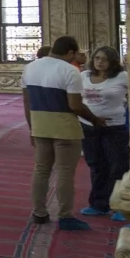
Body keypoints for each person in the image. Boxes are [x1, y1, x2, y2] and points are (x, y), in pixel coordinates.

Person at [23, 35, 106, 230]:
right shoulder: (70, 70)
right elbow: (75, 105)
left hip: (40, 124)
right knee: (65, 173)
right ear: (70, 52)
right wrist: (95, 120)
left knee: (41, 170)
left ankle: (39, 212)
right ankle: (65, 216)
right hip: (65, 127)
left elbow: (26, 102)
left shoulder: (30, 67)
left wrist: (32, 128)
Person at [78, 46, 129, 220]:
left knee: (118, 166)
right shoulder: (84, 76)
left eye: (105, 59)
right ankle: (99, 204)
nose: (100, 62)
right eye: (97, 58)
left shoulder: (122, 77)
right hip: (89, 126)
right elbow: (77, 98)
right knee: (97, 166)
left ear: (113, 61)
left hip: (114, 127)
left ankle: (121, 207)